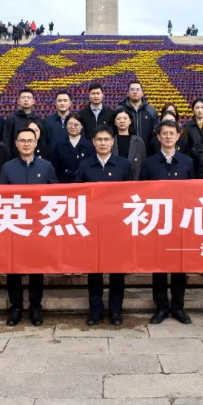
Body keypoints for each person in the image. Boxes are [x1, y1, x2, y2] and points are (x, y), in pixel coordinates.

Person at [140, 120, 196, 325]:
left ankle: (178, 307)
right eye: (165, 133)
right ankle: (162, 307)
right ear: (158, 137)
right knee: (160, 267)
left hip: (181, 221)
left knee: (180, 267)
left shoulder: (187, 161)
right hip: (158, 222)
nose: (168, 137)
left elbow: (194, 193)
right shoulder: (150, 162)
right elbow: (143, 193)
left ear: (178, 135)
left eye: (172, 133)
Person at [1, 128, 58, 326]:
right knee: (13, 270)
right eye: (22, 140)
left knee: (36, 270)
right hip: (14, 225)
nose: (26, 144)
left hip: (38, 227)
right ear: (16, 143)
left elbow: (55, 196)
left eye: (30, 140)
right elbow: (0, 197)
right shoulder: (7, 167)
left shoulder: (47, 166)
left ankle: (35, 308)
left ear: (36, 143)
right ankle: (15, 308)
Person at [77, 125, 133, 326]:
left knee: (117, 272)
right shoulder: (85, 165)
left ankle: (116, 311)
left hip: (117, 227)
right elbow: (78, 195)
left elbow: (130, 195)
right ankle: (95, 311)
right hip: (93, 227)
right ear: (93, 142)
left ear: (112, 141)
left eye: (106, 139)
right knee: (95, 272)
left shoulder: (123, 164)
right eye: (98, 139)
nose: (102, 143)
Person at [51, 112, 94, 183]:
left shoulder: (89, 145)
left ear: (82, 126)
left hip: (84, 184)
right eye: (70, 124)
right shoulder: (59, 145)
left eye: (76, 124)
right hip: (64, 184)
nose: (73, 127)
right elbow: (55, 168)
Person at [110, 106, 146, 180]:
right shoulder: (110, 141)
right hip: (115, 180)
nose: (122, 121)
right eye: (118, 119)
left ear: (130, 121)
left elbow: (143, 164)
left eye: (125, 118)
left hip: (134, 182)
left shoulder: (139, 141)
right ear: (114, 122)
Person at [118, 81, 158, 147]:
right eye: (132, 89)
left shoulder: (151, 110)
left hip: (147, 150)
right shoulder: (120, 109)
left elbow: (156, 131)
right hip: (126, 149)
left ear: (142, 93)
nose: (135, 92)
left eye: (138, 89)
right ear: (127, 93)